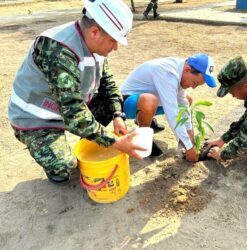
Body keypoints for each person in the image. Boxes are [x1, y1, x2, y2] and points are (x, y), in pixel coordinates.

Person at [7, 0, 147, 185]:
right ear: (95, 32)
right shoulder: (59, 51)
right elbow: (74, 114)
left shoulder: (94, 45)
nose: (115, 47)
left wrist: (117, 115)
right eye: (113, 40)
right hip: (36, 118)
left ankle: (88, 136)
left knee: (106, 107)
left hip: (67, 107)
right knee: (64, 167)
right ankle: (52, 150)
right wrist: (114, 142)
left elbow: (108, 84)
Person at [120, 53, 217, 162]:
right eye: (195, 83)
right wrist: (188, 148)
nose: (194, 87)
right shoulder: (168, 73)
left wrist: (190, 134)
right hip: (127, 102)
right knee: (150, 100)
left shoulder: (180, 71)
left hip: (147, 100)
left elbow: (183, 104)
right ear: (187, 69)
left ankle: (146, 120)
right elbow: (173, 113)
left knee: (187, 99)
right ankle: (143, 138)